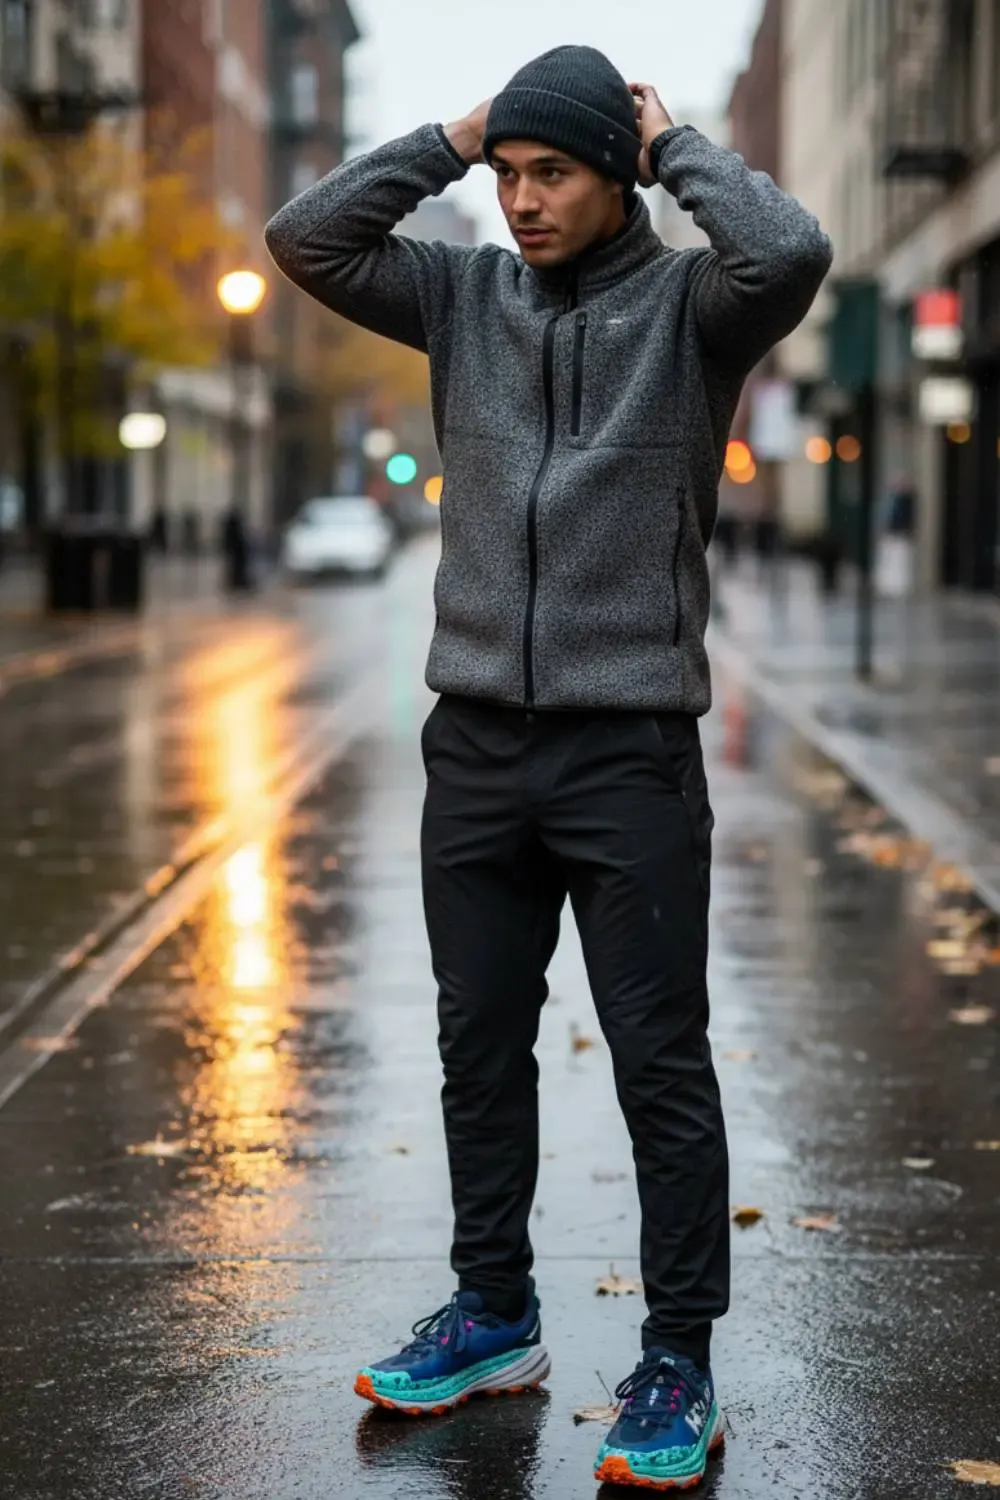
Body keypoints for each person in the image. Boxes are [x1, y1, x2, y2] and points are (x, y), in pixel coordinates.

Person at [266, 46, 831, 1492]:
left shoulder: (695, 312)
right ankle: (495, 1316)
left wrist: (674, 145)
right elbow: (306, 237)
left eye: (551, 173)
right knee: (477, 1042)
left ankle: (677, 1360)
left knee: (658, 1062)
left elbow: (790, 251)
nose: (521, 201)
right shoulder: (462, 296)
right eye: (509, 175)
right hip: (475, 742)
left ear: (617, 176)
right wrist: (453, 139)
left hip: (627, 748)